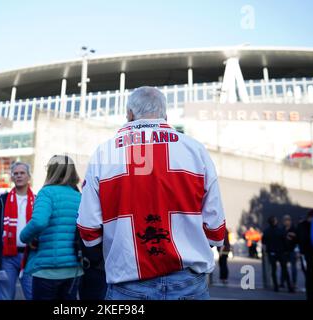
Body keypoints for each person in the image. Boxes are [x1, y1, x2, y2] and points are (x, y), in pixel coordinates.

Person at [77, 86, 226, 300]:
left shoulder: (104, 153)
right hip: (188, 281)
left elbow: (88, 226)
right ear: (165, 115)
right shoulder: (195, 150)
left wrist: (108, 257)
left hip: (127, 282)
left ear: (129, 114)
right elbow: (215, 226)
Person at [20, 155, 83, 300]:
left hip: (47, 269)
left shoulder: (46, 193)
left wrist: (24, 237)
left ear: (51, 171)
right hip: (74, 268)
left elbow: (39, 222)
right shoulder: (78, 196)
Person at [0, 162, 34, 300]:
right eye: (16, 173)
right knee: (4, 297)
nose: (19, 176)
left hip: (30, 256)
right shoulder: (1, 201)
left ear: (28, 177)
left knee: (34, 295)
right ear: (12, 177)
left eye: (22, 173)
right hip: (7, 257)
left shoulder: (37, 200)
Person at [262, 216, 294, 293]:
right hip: (281, 252)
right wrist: (286, 250)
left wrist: (267, 250)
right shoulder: (280, 230)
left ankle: (276, 287)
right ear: (275, 221)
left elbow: (264, 242)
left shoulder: (266, 231)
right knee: (284, 269)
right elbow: (285, 241)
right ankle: (289, 287)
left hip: (272, 253)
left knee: (273, 270)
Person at [297, 210, 313, 300]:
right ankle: (311, 296)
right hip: (307, 255)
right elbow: (300, 238)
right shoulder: (303, 226)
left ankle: (312, 295)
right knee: (310, 276)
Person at [281, 214, 298, 289]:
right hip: (284, 250)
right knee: (283, 267)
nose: (286, 222)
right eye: (285, 220)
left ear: (290, 221)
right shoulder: (282, 229)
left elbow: (298, 238)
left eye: (288, 220)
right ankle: (282, 282)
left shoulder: (294, 229)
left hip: (292, 250)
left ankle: (293, 283)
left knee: (293, 268)